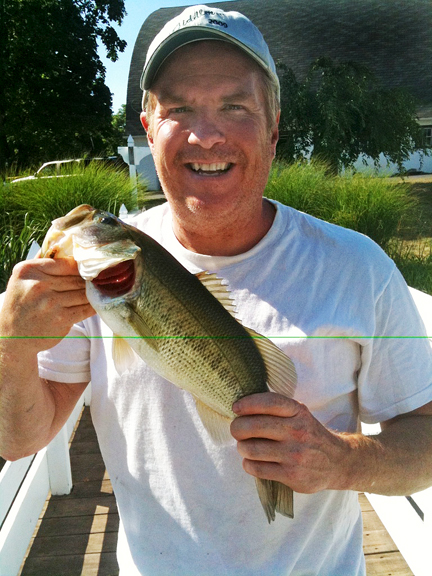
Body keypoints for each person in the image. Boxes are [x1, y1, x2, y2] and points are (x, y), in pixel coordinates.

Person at [1, 5, 432, 575]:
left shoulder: (359, 268)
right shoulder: (89, 280)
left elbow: (425, 440)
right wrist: (11, 344)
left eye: (235, 106)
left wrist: (341, 462)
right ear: (149, 127)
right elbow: (18, 439)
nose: (205, 135)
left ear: (273, 128)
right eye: (179, 108)